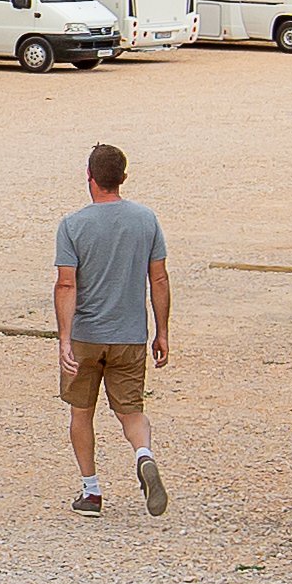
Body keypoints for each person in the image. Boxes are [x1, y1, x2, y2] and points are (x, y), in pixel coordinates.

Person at [50, 143, 175, 514]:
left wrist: (64, 339)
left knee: (81, 413)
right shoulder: (146, 220)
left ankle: (91, 491)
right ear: (122, 178)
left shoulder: (73, 225)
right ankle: (144, 454)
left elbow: (66, 284)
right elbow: (160, 278)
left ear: (89, 178)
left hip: (87, 336)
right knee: (131, 412)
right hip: (130, 335)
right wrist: (162, 332)